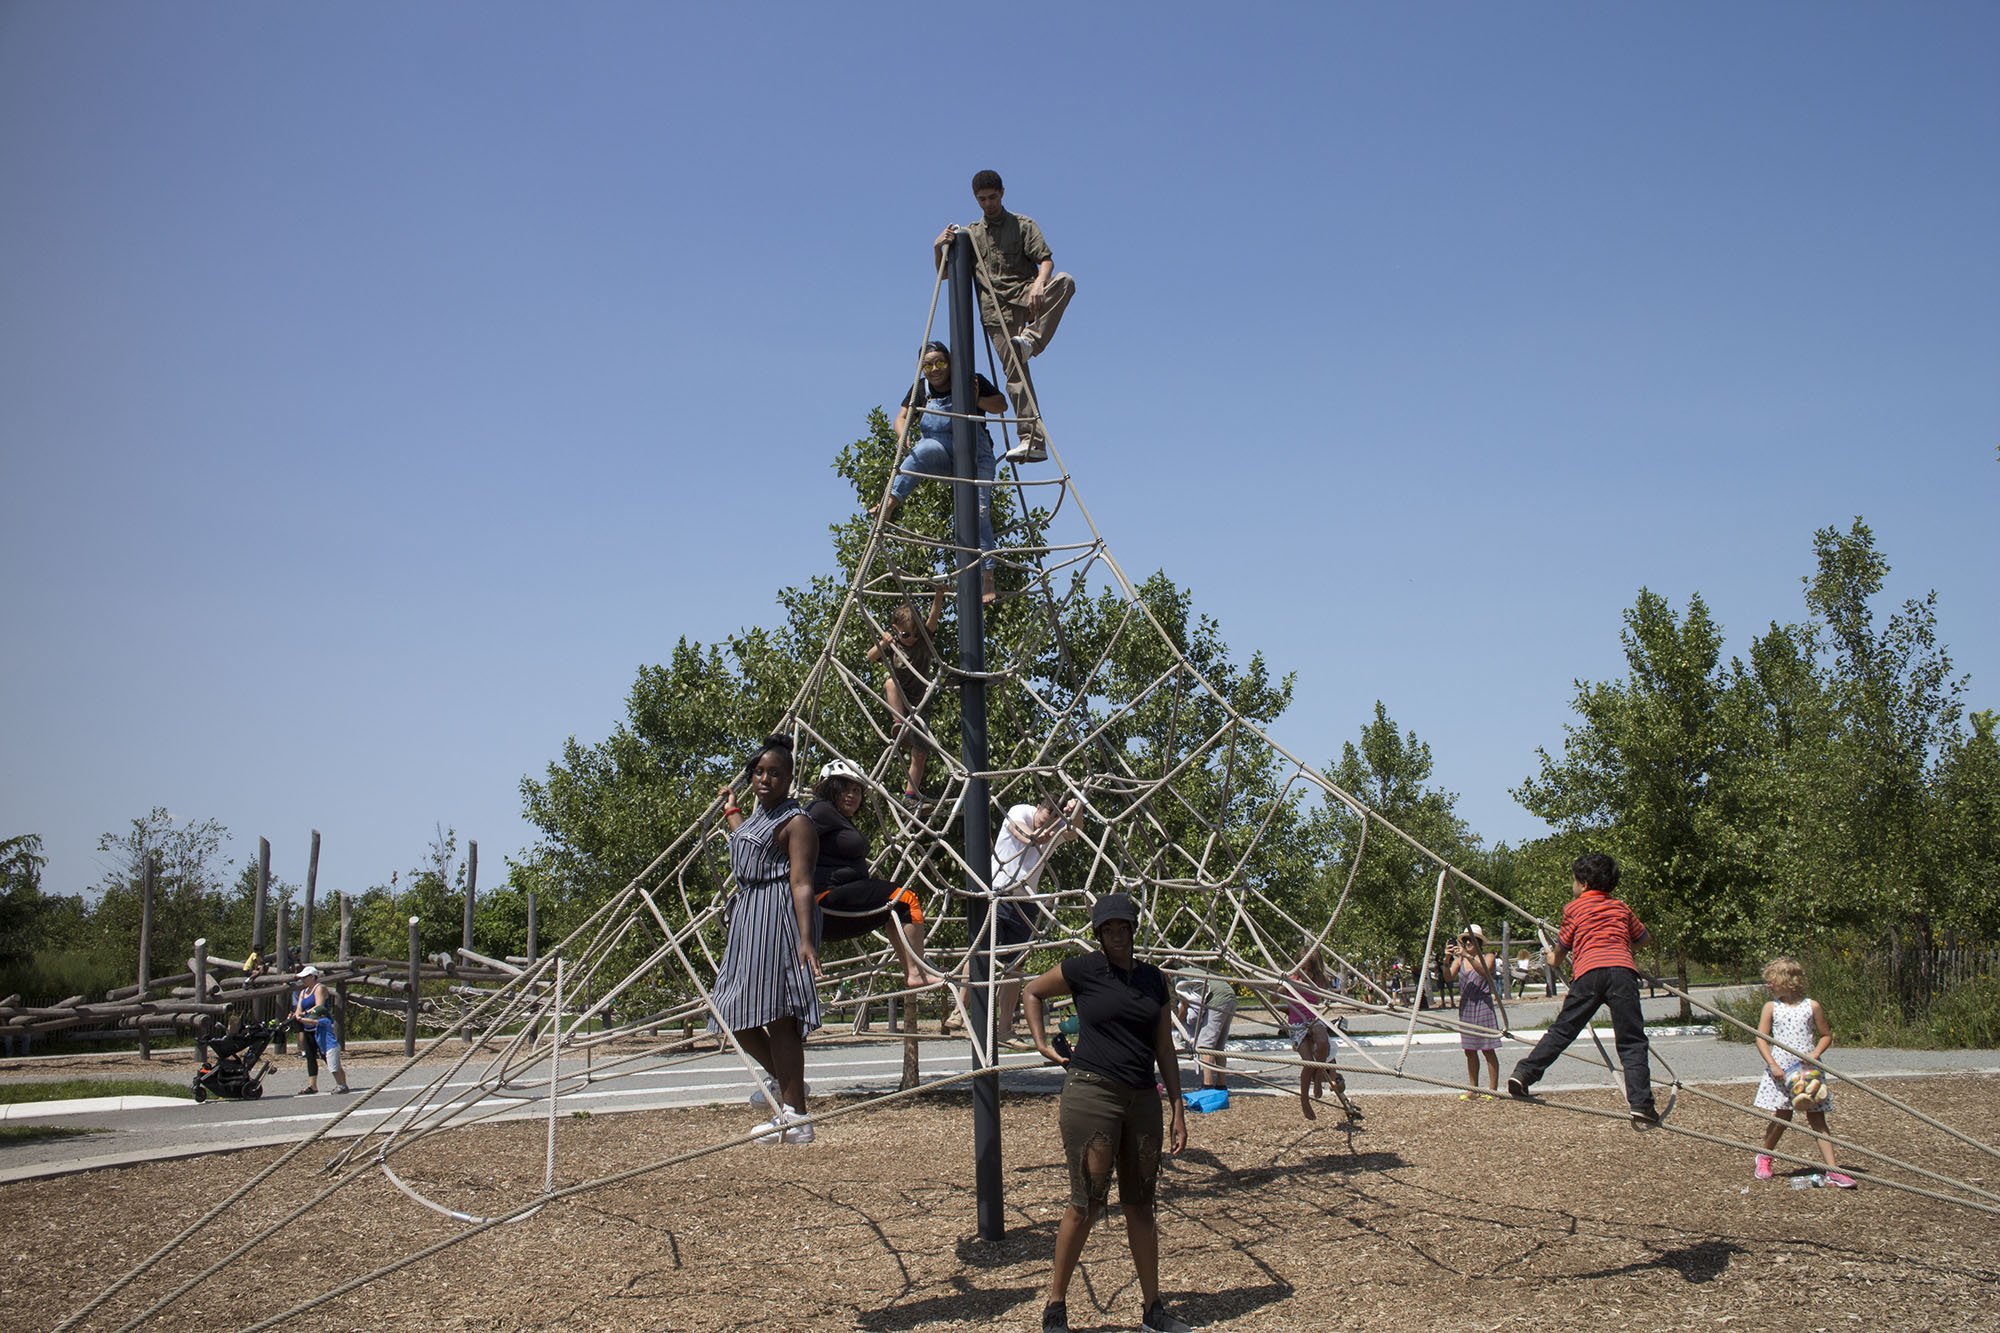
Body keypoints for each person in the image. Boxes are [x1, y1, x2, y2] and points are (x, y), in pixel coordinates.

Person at [1023, 893, 1191, 1333]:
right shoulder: (1084, 969)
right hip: (1092, 1093)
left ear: (1133, 930)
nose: (1116, 935)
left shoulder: (1153, 980)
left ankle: (1153, 1309)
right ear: (1098, 934)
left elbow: (1164, 1048)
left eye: (1123, 927)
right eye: (1108, 929)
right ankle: (1056, 1306)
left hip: (1141, 1099)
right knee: (1088, 1201)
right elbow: (1032, 991)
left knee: (1141, 1203)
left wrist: (1177, 1105)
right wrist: (1042, 1043)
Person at [714, 735, 823, 1145]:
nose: (765, 779)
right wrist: (731, 811)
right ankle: (787, 1087)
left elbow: (801, 881)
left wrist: (806, 938)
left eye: (775, 773)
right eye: (759, 772)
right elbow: (747, 843)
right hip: (748, 916)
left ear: (789, 778)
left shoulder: (796, 822)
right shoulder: (759, 816)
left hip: (777, 915)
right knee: (731, 1010)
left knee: (778, 1013)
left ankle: (795, 1117)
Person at [1505, 852, 1660, 1128]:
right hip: (1623, 973)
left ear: (1584, 884)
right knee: (1632, 1041)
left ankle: (1525, 1073)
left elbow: (1559, 955)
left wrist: (1549, 957)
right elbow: (1644, 939)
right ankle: (1641, 1104)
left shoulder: (1574, 909)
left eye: (1574, 879)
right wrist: (1621, 946)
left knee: (1563, 1030)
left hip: (1589, 974)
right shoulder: (1621, 908)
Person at [933, 170, 1075, 465]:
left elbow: (1045, 260)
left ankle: (1031, 341)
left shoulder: (1022, 224)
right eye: (981, 199)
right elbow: (946, 274)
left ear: (1002, 193)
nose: (987, 204)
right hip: (997, 313)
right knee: (1016, 374)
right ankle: (1032, 440)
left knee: (1066, 282)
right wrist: (938, 247)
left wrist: (1039, 283)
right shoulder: (971, 234)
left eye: (992, 197)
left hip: (1027, 297)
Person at [873, 341, 1008, 604]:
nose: (934, 370)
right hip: (942, 449)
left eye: (940, 363)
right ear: (920, 368)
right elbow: (900, 418)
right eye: (928, 365)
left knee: (979, 511)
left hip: (975, 453)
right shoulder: (921, 390)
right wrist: (903, 437)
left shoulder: (970, 380)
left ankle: (988, 575)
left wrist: (974, 398)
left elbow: (1001, 406)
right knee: (920, 452)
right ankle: (889, 503)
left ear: (950, 363)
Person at [805, 758, 932, 990]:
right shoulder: (819, 809)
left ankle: (913, 972)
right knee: (905, 898)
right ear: (829, 788)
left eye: (856, 790)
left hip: (837, 905)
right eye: (844, 788)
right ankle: (916, 973)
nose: (852, 795)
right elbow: (793, 837)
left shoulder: (836, 817)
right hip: (826, 901)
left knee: (893, 911)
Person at [969, 793, 1082, 1044]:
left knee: (1014, 966)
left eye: (1055, 817)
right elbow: (1018, 830)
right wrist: (1035, 836)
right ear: (1038, 807)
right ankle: (960, 1011)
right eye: (1046, 814)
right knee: (981, 952)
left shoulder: (1053, 831)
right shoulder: (1021, 811)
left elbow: (1075, 831)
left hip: (1025, 902)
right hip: (998, 894)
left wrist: (1078, 809)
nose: (1048, 821)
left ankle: (1005, 1029)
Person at [1753, 957, 1856, 1187]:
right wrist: (1772, 1064)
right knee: (1783, 1116)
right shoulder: (1771, 1007)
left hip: (1807, 1072)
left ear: (1788, 981)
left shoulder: (1812, 1006)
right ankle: (1764, 1156)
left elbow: (1826, 1035)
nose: (1768, 985)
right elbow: (1760, 1038)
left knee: (1817, 1118)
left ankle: (1832, 1170)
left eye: (1772, 981)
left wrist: (1815, 1054)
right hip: (1781, 1070)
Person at [864, 584, 949, 801]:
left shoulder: (923, 642)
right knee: (890, 683)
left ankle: (910, 796)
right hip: (901, 700)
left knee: (920, 754)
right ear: (895, 628)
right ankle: (898, 725)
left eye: (915, 632)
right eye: (906, 634)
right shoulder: (894, 646)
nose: (911, 638)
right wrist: (884, 642)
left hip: (920, 702)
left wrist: (939, 594)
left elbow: (933, 617)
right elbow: (870, 656)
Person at [1284, 950, 1355, 1121]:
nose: (1306, 972)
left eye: (1311, 969)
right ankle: (1304, 1100)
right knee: (1308, 1063)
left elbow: (1325, 993)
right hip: (1297, 1024)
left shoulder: (1318, 980)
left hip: (1314, 1020)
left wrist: (1314, 981)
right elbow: (1273, 999)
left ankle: (1318, 1079)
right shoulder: (1290, 979)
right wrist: (1282, 985)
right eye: (1303, 968)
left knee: (1323, 1042)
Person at [1446, 925, 1502, 1099]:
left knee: (1488, 1048)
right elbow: (1448, 977)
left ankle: (1492, 1090)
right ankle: (1473, 1088)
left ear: (1479, 942)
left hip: (1483, 1005)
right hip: (1466, 1006)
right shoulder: (1459, 960)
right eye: (1466, 940)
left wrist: (1468, 956)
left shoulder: (1488, 956)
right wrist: (1446, 959)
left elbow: (1485, 971)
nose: (1468, 942)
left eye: (1472, 939)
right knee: (1469, 1050)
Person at [1174, 970, 1237, 1090]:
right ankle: (1221, 1085)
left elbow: (1185, 1005)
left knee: (1204, 1046)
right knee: (1218, 1046)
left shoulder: (1178, 977)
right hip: (1230, 996)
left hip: (1217, 999)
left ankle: (1207, 1086)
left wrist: (1175, 1022)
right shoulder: (1192, 971)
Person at [290, 964, 347, 1094]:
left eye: (305, 977)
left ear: (312, 976)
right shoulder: (303, 992)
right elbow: (298, 1007)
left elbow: (319, 1007)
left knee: (327, 1056)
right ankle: (312, 1086)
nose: (302, 980)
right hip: (307, 1026)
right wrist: (297, 1015)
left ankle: (342, 1083)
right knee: (310, 1056)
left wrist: (303, 1015)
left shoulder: (319, 988)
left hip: (320, 1025)